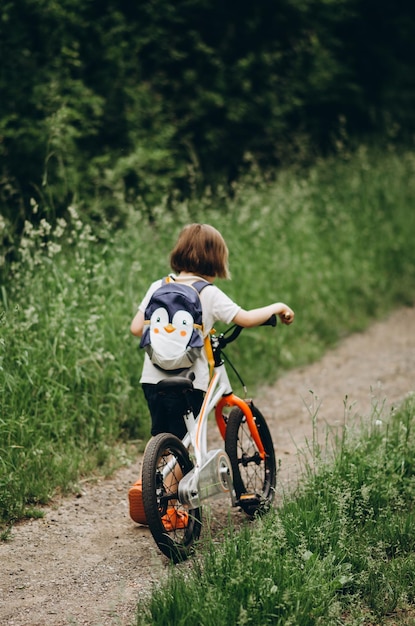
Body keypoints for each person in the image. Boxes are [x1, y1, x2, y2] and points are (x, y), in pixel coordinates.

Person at [128, 223, 294, 525]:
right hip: (189, 382)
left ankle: (148, 484)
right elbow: (245, 317)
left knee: (164, 434)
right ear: (215, 261)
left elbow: (136, 328)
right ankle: (168, 505)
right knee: (186, 439)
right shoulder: (208, 293)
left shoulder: (158, 285)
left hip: (152, 379)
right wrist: (278, 307)